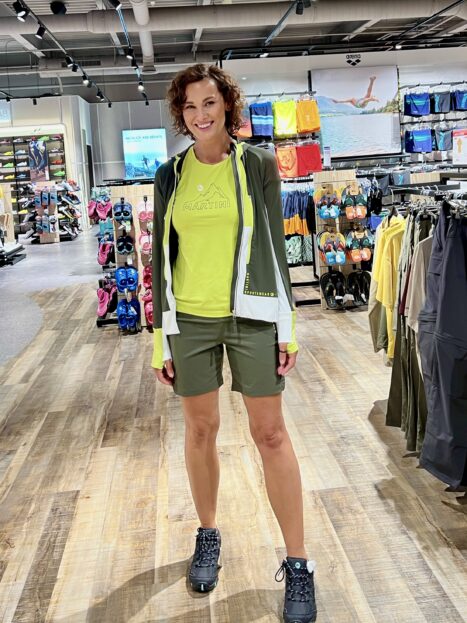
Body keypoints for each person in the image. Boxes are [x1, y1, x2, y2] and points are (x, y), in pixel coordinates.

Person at [151, 63, 317, 623]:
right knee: (201, 431)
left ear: (227, 106)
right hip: (190, 320)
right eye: (190, 107)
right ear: (181, 114)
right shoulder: (170, 175)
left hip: (253, 315)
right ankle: (208, 534)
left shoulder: (258, 164)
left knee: (270, 434)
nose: (201, 115)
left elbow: (274, 246)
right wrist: (160, 337)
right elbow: (159, 257)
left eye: (210, 103)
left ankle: (298, 562)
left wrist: (287, 326)